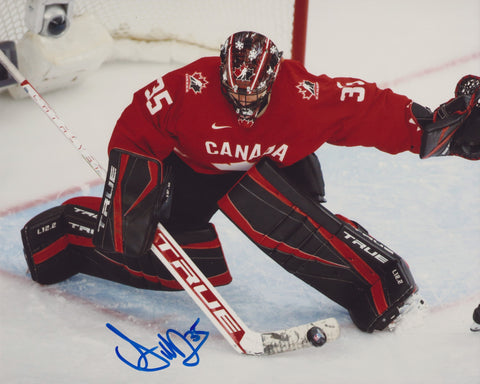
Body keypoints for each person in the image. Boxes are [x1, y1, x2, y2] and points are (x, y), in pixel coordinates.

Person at [21, 31, 479, 333]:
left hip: (279, 174)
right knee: (173, 260)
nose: (244, 105)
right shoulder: (190, 87)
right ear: (221, 74)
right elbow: (137, 125)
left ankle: (375, 286)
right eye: (235, 92)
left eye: (254, 94)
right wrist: (131, 198)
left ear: (274, 77)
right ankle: (64, 236)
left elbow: (369, 108)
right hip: (194, 175)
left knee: (291, 222)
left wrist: (435, 129)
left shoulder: (304, 96)